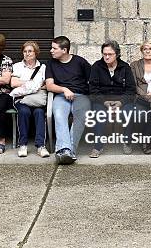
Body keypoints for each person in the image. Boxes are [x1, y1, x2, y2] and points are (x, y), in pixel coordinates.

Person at [45, 36, 91, 165]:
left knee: (81, 117)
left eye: (54, 48)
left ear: (64, 50)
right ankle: (65, 150)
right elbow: (49, 85)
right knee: (59, 116)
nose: (51, 51)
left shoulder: (80, 62)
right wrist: (64, 89)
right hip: (61, 96)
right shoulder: (51, 63)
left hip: (81, 96)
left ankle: (68, 151)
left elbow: (92, 80)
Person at [88, 40, 136, 158]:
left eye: (110, 54)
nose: (107, 57)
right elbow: (93, 89)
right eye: (105, 54)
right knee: (99, 114)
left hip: (122, 100)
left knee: (128, 113)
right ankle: (98, 146)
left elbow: (131, 90)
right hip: (102, 100)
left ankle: (127, 142)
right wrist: (104, 102)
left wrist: (121, 102)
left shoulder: (125, 67)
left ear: (117, 54)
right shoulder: (97, 66)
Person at [10, 41, 50, 158]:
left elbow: (46, 85)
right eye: (25, 51)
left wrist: (24, 84)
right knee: (24, 112)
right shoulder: (17, 66)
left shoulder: (43, 68)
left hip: (37, 100)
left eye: (30, 51)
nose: (27, 54)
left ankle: (40, 146)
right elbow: (13, 83)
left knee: (39, 112)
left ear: (36, 53)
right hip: (21, 99)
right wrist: (33, 84)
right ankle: (23, 144)